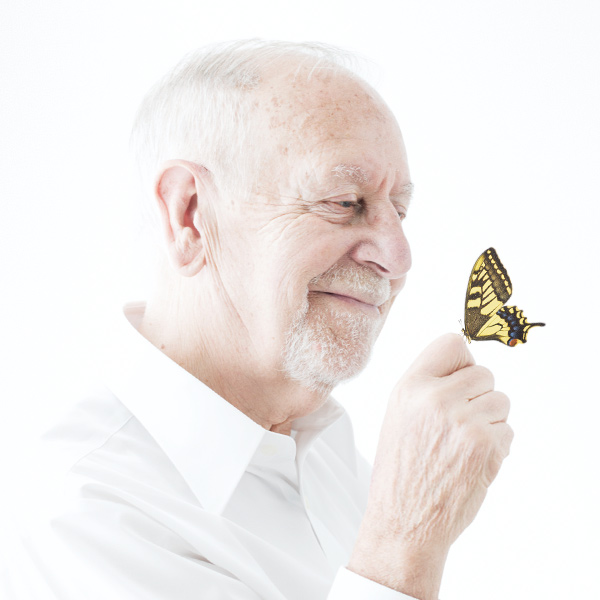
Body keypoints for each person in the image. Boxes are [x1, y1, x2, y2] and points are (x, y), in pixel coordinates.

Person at [7, 40, 513, 600]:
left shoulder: (327, 453)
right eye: (344, 202)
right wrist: (404, 543)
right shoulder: (82, 515)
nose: (398, 258)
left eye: (401, 210)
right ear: (190, 215)